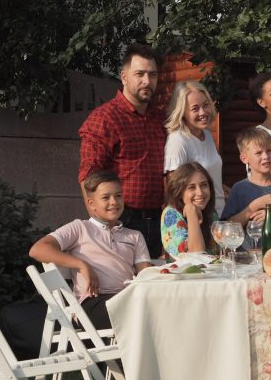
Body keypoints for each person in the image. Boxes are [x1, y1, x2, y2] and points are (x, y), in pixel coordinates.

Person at [29, 170, 152, 330]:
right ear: (91, 203)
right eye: (106, 197)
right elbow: (37, 250)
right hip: (91, 303)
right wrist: (81, 264)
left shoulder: (134, 236)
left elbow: (147, 276)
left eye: (118, 195)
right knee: (138, 311)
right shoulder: (80, 228)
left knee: (156, 307)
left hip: (127, 298)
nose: (114, 202)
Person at [79, 42, 166, 258]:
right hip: (122, 219)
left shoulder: (161, 119)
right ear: (124, 76)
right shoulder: (105, 118)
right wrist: (100, 228)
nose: (147, 81)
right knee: (123, 286)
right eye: (140, 74)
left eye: (152, 75)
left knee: (156, 287)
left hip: (160, 220)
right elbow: (89, 177)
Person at [163, 80, 226, 216]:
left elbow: (211, 177)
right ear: (182, 112)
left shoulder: (207, 135)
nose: (203, 112)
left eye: (205, 105)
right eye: (195, 108)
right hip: (198, 218)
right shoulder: (178, 140)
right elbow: (174, 189)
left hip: (218, 214)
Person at [222, 127, 271, 228]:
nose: (265, 156)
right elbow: (227, 226)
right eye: (258, 153)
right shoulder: (239, 189)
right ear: (244, 158)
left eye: (269, 151)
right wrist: (254, 206)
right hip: (248, 244)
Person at [161, 162, 217, 261]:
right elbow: (195, 256)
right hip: (183, 275)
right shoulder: (171, 214)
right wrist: (191, 212)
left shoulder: (211, 213)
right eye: (191, 187)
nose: (200, 192)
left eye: (204, 185)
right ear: (179, 192)